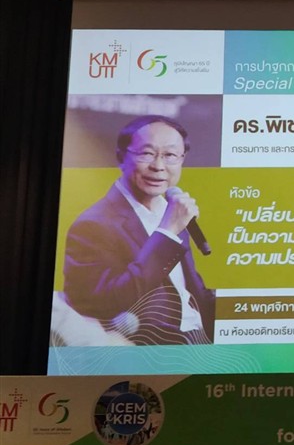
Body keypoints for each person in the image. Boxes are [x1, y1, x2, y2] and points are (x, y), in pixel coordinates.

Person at [63, 115, 215, 345]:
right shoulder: (92, 225)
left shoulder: (172, 209)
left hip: (201, 340)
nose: (158, 166)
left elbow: (191, 292)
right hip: (154, 349)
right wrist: (167, 232)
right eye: (146, 153)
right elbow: (105, 303)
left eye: (170, 155)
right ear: (121, 157)